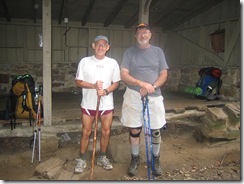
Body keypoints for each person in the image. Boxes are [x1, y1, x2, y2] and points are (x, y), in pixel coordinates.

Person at [120, 23, 169, 177]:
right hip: (133, 94)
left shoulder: (158, 52)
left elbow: (163, 74)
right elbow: (124, 74)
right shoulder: (129, 52)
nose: (143, 35)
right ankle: (135, 158)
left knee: (155, 130)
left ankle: (156, 158)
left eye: (146, 32)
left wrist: (152, 86)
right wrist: (141, 83)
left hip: (154, 95)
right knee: (134, 129)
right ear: (136, 36)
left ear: (150, 35)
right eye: (140, 32)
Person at [74, 35, 121, 174]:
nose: (101, 47)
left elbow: (116, 83)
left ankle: (102, 156)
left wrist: (105, 91)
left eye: (104, 44)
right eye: (98, 44)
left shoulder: (112, 63)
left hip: (106, 104)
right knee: (86, 131)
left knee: (106, 131)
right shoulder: (85, 61)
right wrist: (93, 86)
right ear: (93, 46)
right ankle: (82, 158)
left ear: (108, 48)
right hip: (88, 104)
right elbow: (78, 81)